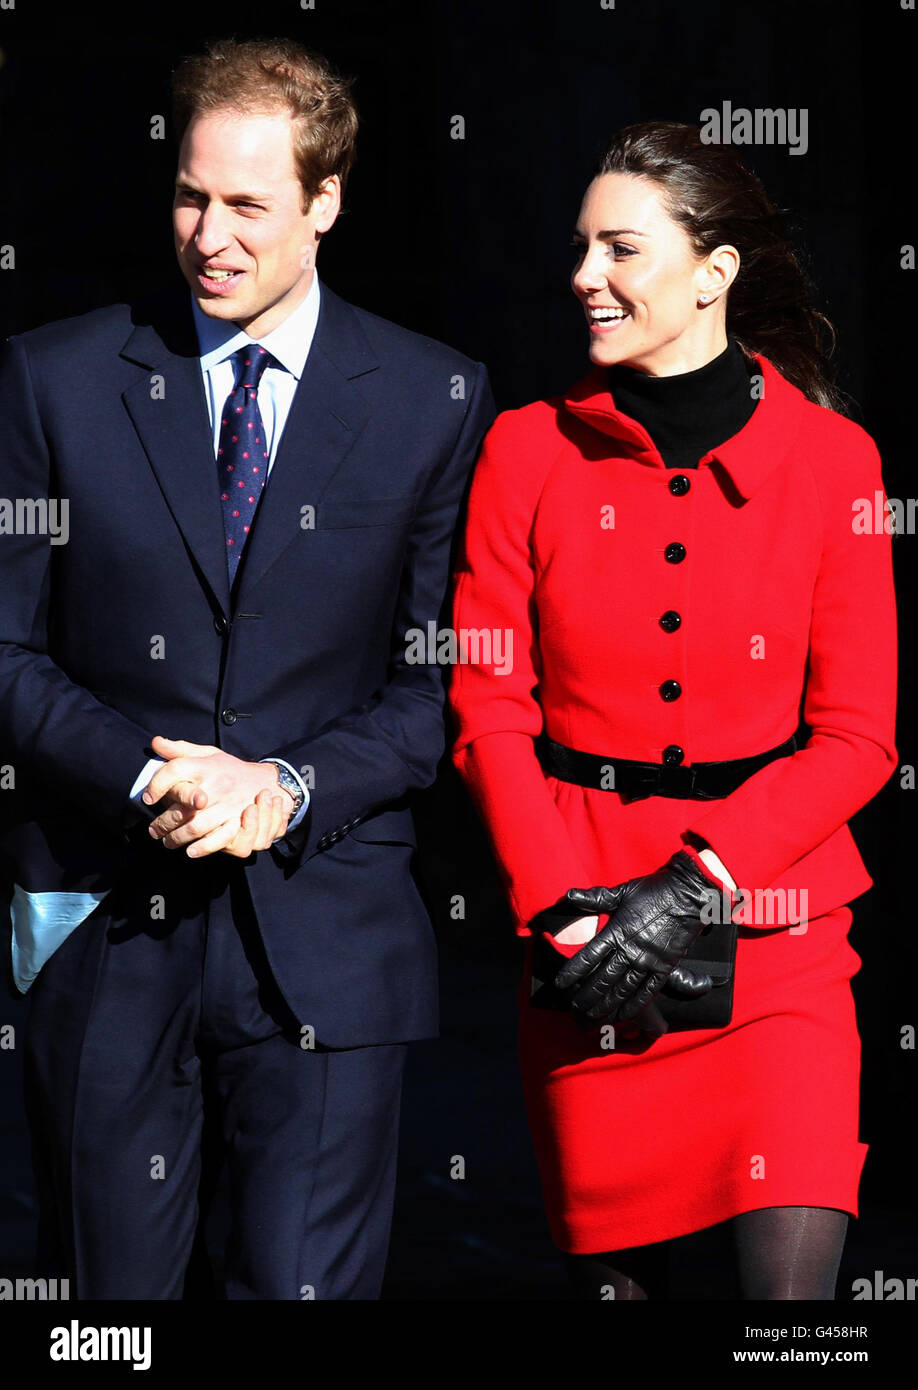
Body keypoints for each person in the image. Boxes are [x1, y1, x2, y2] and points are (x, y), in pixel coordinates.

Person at [0, 36, 494, 1299]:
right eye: (189, 196)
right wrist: (150, 776)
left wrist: (282, 784)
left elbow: (435, 681)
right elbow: (5, 648)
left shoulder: (434, 397)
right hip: (110, 920)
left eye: (246, 205)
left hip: (327, 927)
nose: (208, 236)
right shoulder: (56, 378)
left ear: (325, 203)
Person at [448, 120, 897, 1300]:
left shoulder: (837, 464)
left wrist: (700, 881)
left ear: (714, 272)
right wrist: (565, 918)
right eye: (581, 247)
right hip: (583, 942)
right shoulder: (524, 452)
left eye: (621, 248)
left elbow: (860, 736)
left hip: (779, 943)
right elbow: (488, 707)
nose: (584, 276)